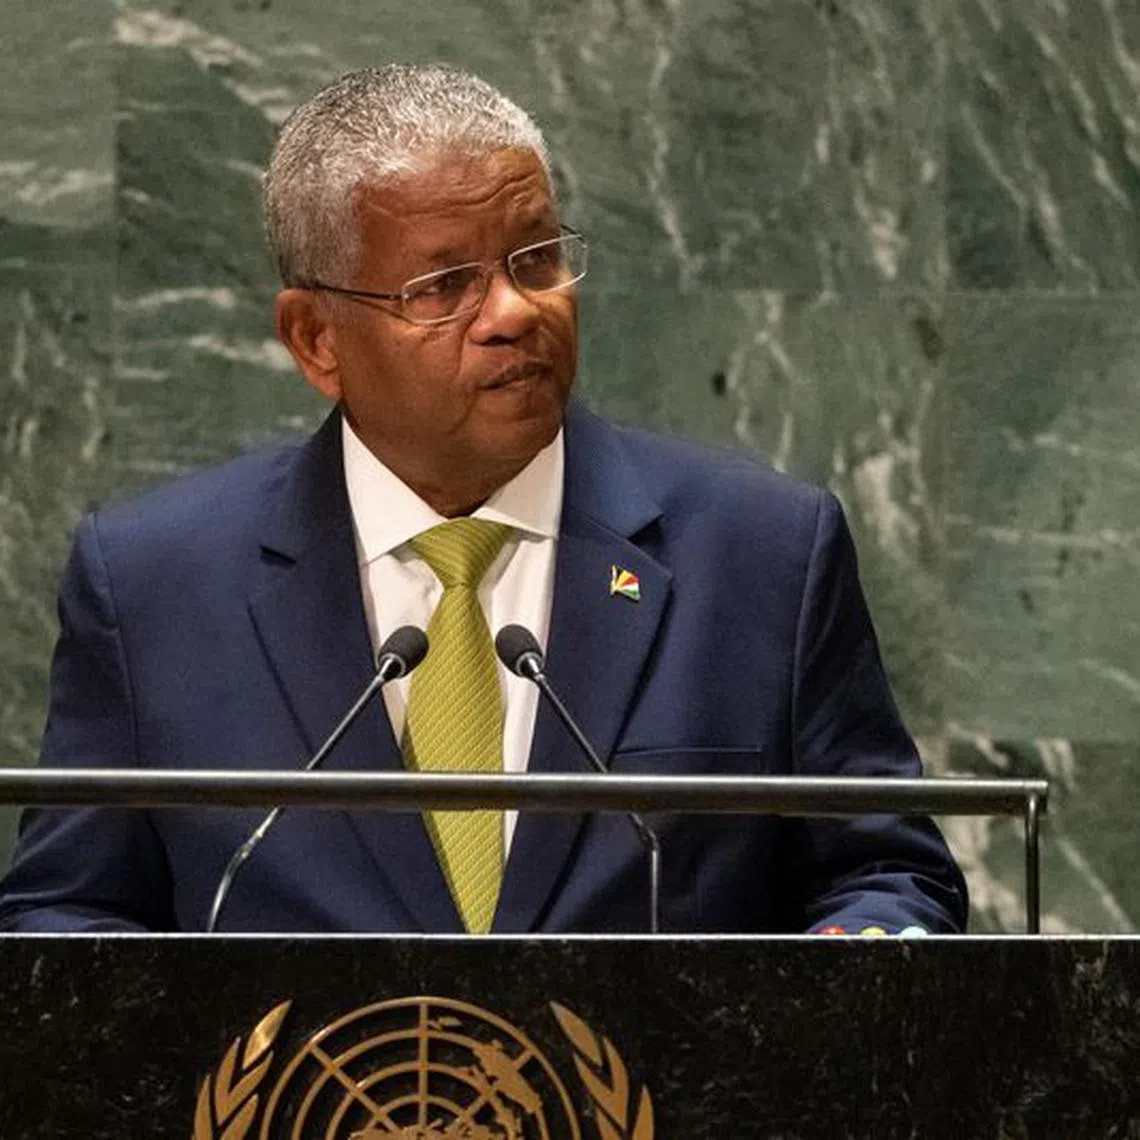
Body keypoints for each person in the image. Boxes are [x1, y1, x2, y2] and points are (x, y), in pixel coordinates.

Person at [0, 65, 966, 934]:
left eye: (538, 258)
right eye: (445, 284)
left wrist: (859, 965)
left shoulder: (763, 554)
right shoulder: (153, 585)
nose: (513, 313)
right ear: (315, 340)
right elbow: (71, 911)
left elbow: (885, 873)